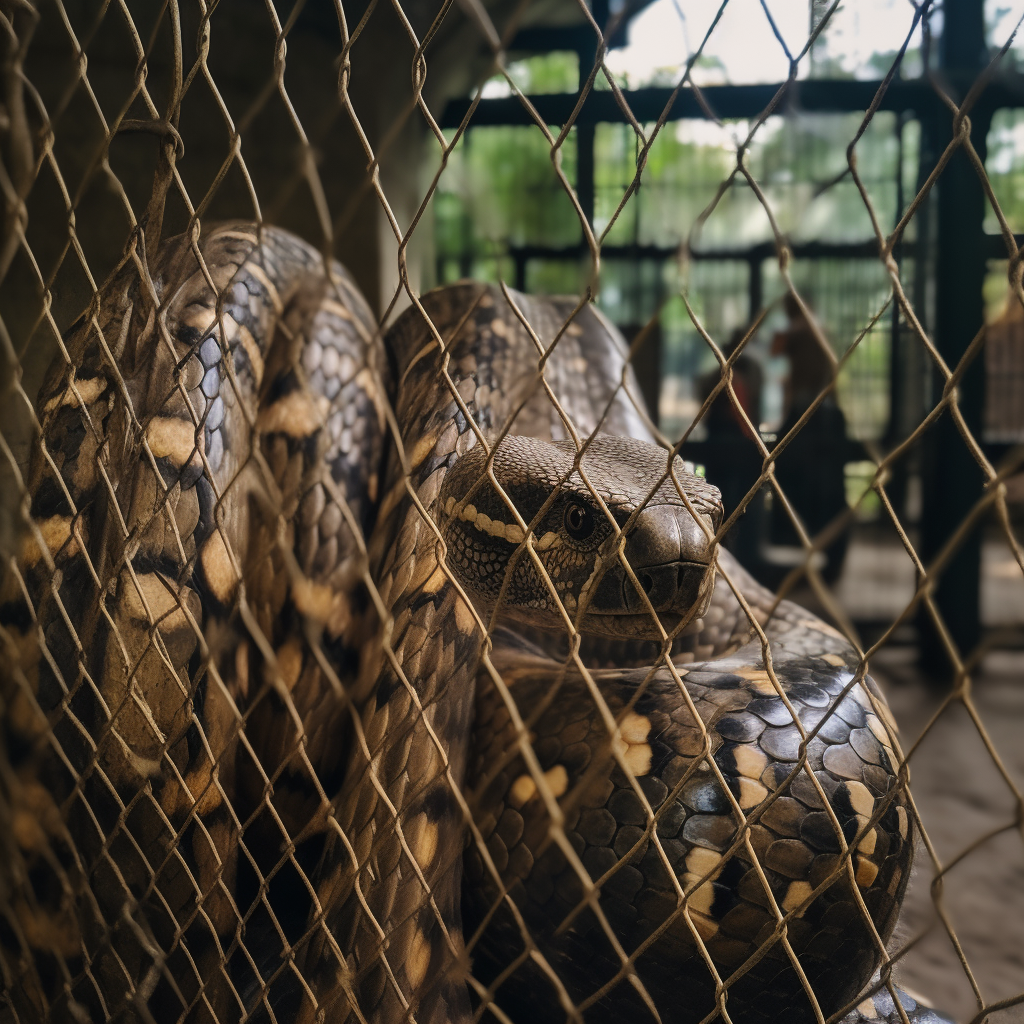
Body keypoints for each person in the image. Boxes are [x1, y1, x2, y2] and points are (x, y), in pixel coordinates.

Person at [769, 292, 850, 583]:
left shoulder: (800, 331)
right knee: (826, 493)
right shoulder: (817, 331)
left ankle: (808, 547)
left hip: (810, 412)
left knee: (808, 489)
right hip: (820, 410)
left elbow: (774, 350)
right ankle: (829, 557)